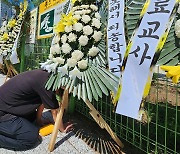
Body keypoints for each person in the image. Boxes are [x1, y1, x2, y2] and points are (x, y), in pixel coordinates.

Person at [0, 69, 72, 151]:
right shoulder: (47, 84)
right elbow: (55, 111)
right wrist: (62, 128)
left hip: (6, 106)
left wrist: (38, 120)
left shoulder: (45, 75)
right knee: (30, 138)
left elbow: (42, 101)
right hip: (2, 114)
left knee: (32, 118)